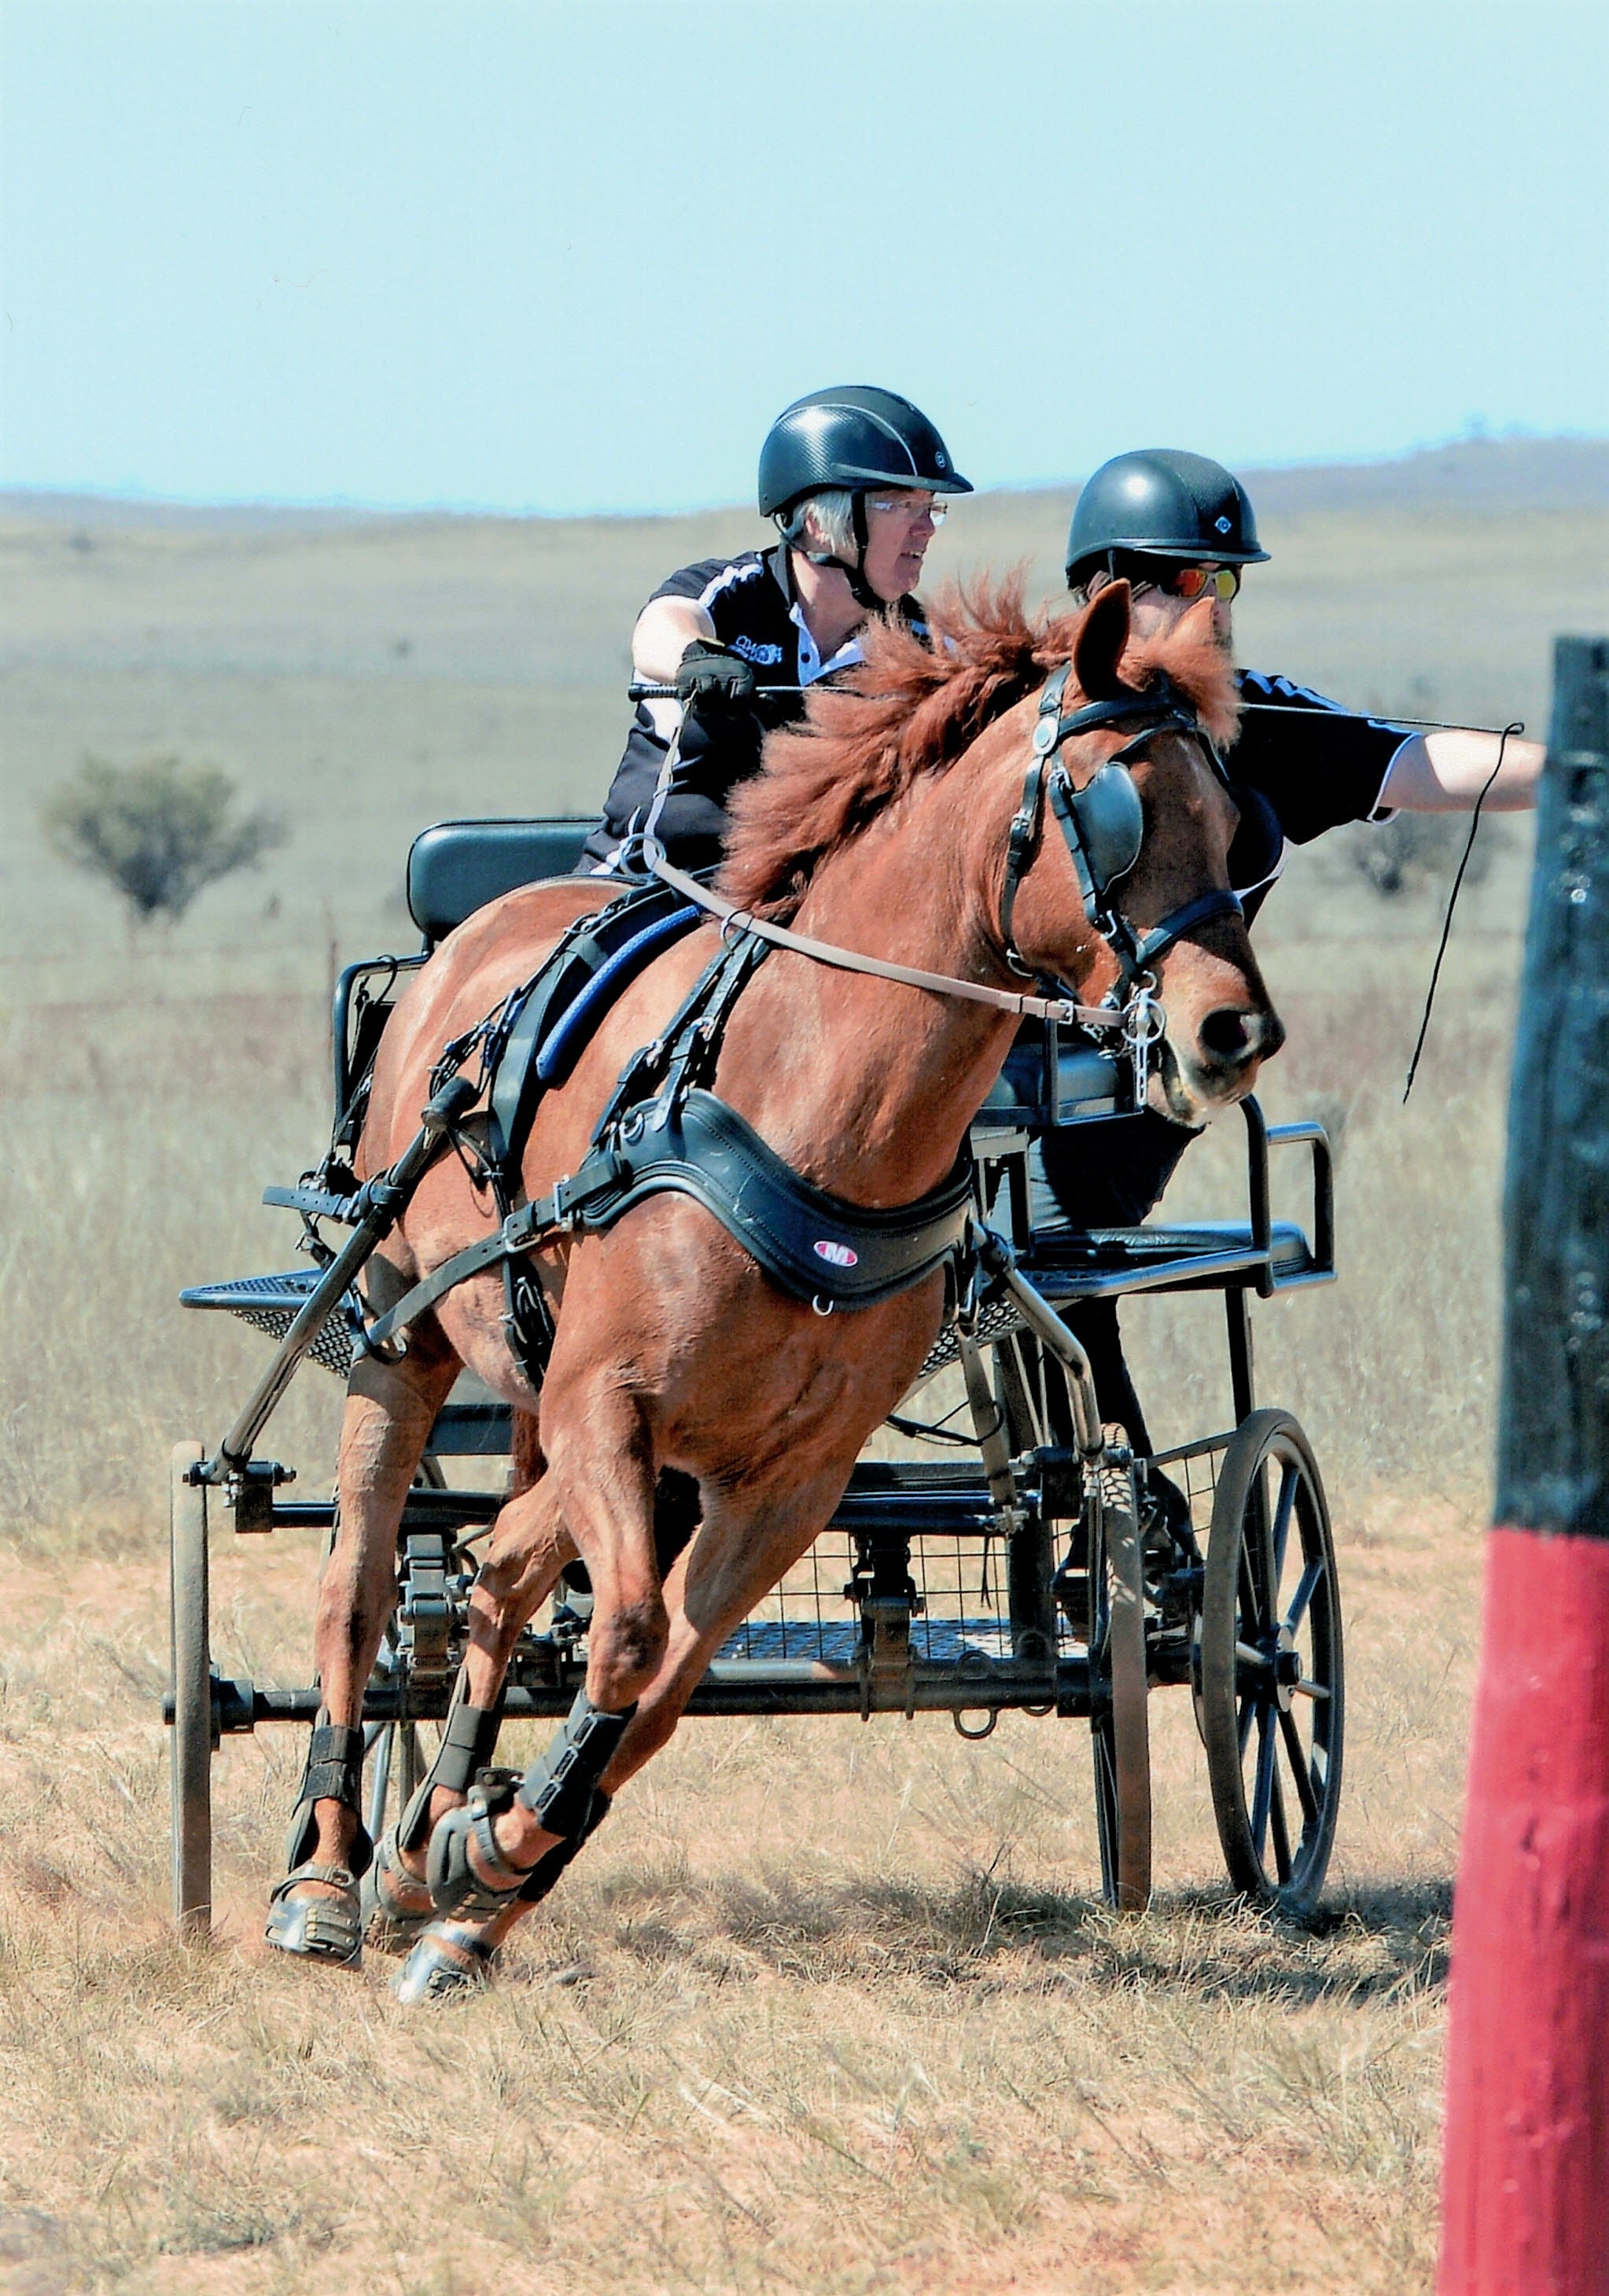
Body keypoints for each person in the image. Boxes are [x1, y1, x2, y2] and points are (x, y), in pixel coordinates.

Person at [1036, 448, 1544, 1465]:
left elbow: (1414, 760)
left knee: (1051, 1262)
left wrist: (1584, 767)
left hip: (1132, 1100)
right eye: (1184, 579)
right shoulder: (1024, 719)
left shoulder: (1244, 716)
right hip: (980, 1080)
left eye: (1225, 579)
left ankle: (1133, 1523)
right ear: (1104, 591)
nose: (1215, 602)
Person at [583, 383, 972, 874]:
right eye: (898, 504)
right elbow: (661, 626)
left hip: (809, 903)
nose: (927, 528)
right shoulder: (730, 593)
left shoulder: (931, 647)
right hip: (650, 881)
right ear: (816, 520)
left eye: (930, 506)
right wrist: (698, 659)